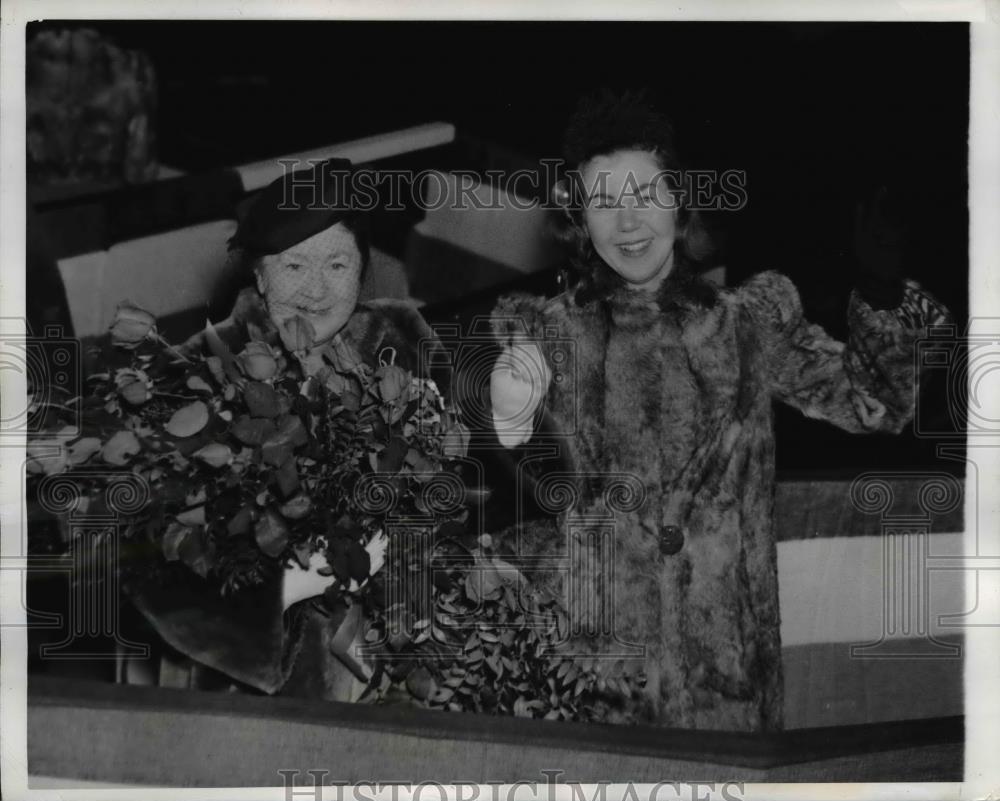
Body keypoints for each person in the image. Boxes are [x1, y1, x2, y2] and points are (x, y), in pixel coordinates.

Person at [485, 91, 950, 731]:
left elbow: (875, 407)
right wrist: (511, 404)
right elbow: (508, 444)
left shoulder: (749, 325)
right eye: (605, 203)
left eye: (645, 196)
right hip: (595, 681)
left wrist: (877, 292)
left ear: (680, 204)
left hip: (725, 682)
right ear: (579, 220)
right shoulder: (548, 334)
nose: (627, 222)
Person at [130, 158, 450, 700]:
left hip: (403, 652)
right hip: (266, 680)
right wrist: (288, 587)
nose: (317, 290)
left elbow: (477, 483)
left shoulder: (404, 340)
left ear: (362, 270)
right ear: (258, 274)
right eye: (294, 267)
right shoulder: (202, 373)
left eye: (337, 266)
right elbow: (149, 557)